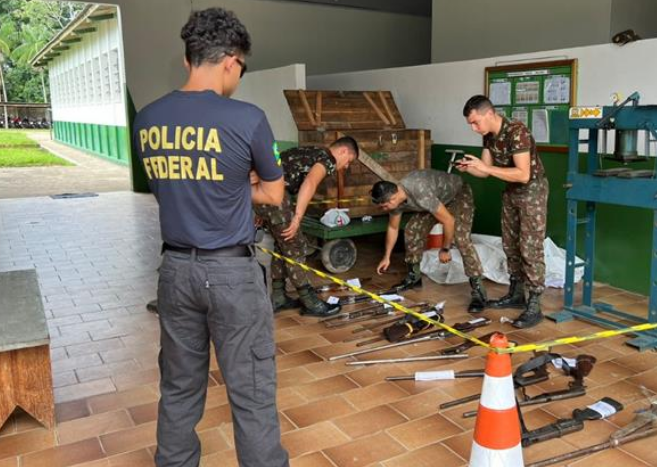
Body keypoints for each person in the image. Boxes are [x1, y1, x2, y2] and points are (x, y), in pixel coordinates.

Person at [132, 8, 289, 467]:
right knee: (252, 389)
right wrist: (236, 186)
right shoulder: (248, 118)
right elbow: (275, 194)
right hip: (233, 274)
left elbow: (169, 187)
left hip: (175, 271)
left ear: (188, 60)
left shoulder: (147, 119)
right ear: (231, 61)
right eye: (241, 68)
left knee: (179, 386)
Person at [456, 95, 549, 329]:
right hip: (510, 191)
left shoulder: (517, 131)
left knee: (530, 247)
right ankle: (516, 294)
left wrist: (485, 166)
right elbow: (486, 172)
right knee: (510, 244)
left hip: (532, 191)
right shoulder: (489, 135)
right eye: (470, 124)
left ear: (489, 114)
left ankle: (535, 304)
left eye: (476, 122)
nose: (474, 128)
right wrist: (471, 168)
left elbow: (523, 174)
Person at [253, 138, 359, 316]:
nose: (346, 166)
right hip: (276, 196)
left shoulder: (311, 151)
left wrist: (260, 210)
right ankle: (309, 301)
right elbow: (309, 183)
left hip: (264, 194)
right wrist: (297, 218)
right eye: (349, 161)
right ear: (343, 151)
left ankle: (278, 297)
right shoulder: (327, 159)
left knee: (282, 245)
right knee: (295, 246)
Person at [371, 169, 488, 312]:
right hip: (437, 200)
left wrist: (445, 249)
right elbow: (393, 228)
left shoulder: (419, 190)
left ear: (393, 198)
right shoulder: (397, 199)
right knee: (413, 229)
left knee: (461, 239)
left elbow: (449, 221)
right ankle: (414, 277)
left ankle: (479, 292)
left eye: (384, 206)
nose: (383, 209)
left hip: (458, 195)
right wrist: (386, 257)